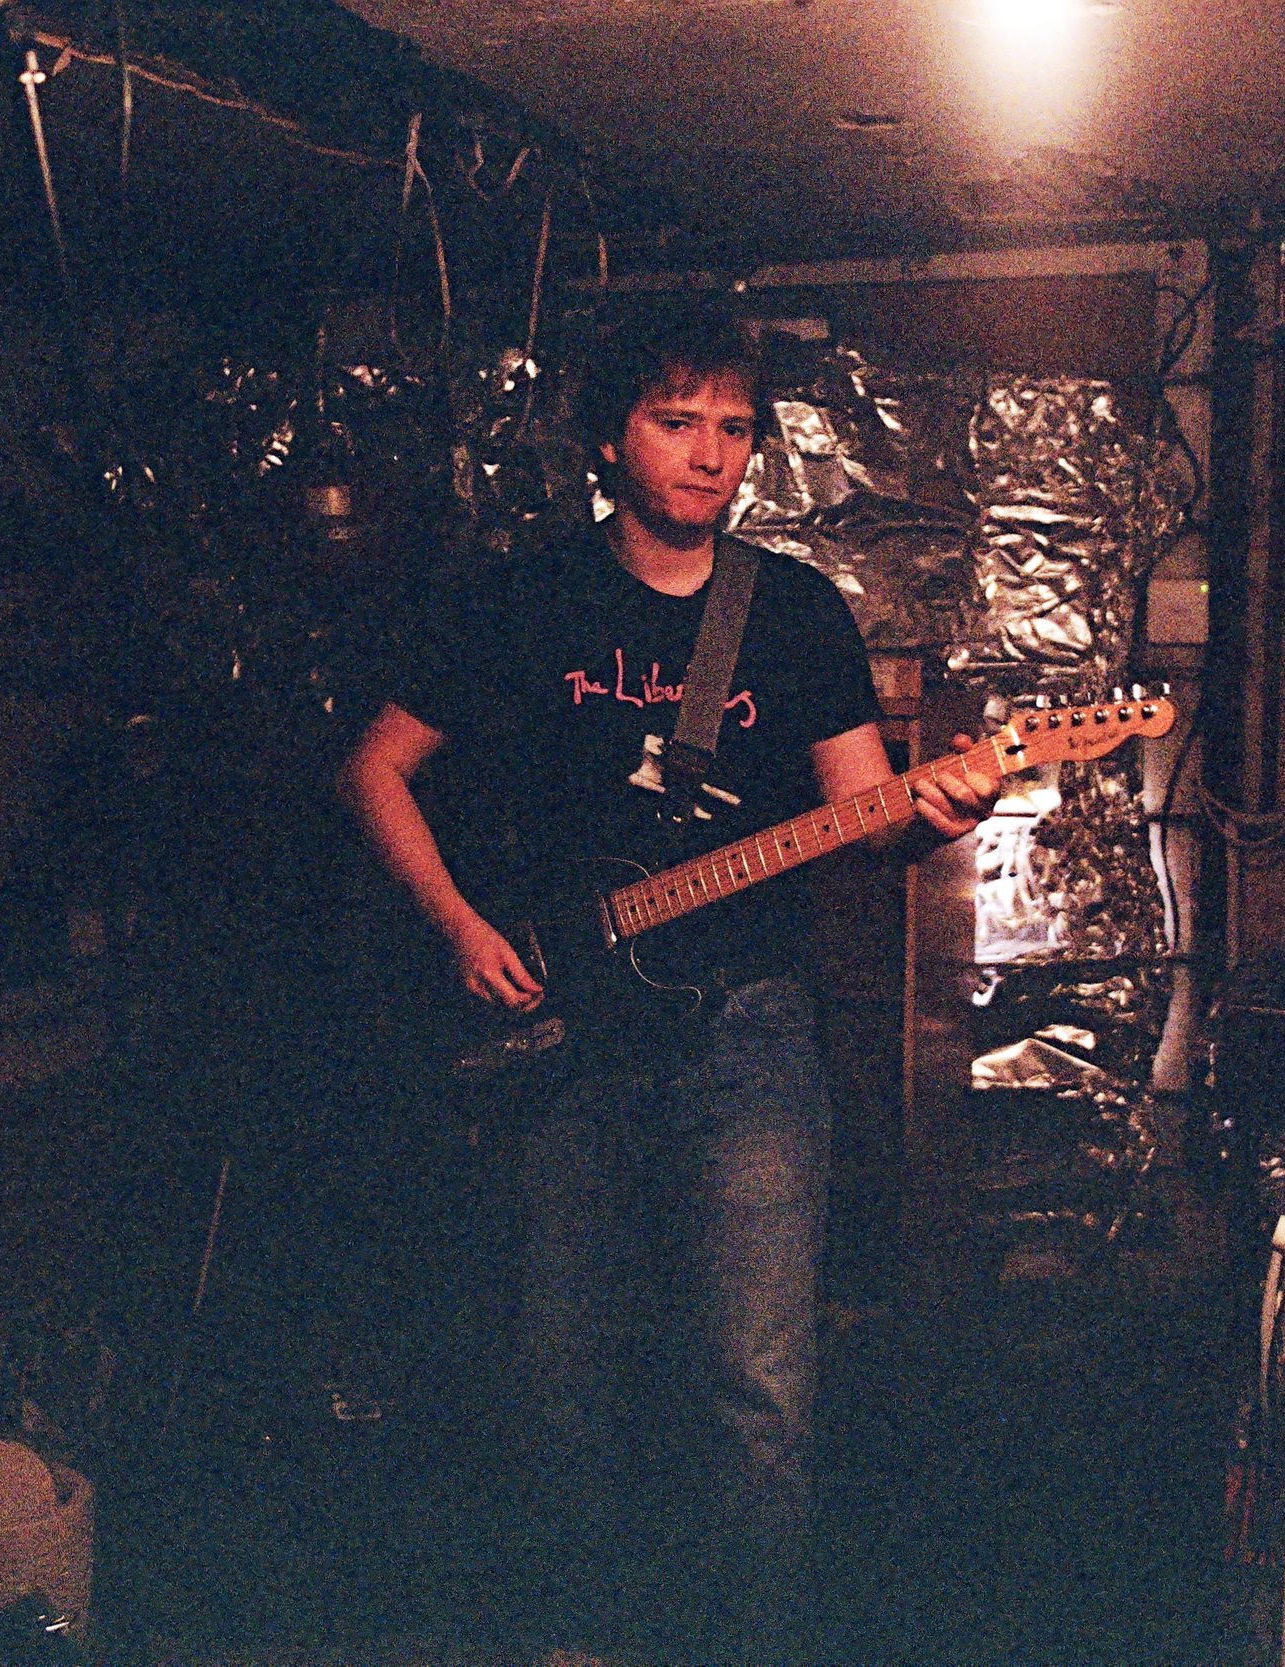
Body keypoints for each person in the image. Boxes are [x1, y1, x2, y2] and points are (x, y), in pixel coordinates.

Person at [335, 309, 991, 1664]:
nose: (709, 456)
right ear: (609, 438)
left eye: (734, 428)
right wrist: (459, 926)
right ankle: (572, 1643)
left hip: (745, 1037)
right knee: (555, 1374)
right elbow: (372, 769)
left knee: (759, 1392)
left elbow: (864, 819)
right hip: (560, 1026)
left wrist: (943, 812)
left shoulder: (793, 611)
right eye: (676, 421)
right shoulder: (521, 600)